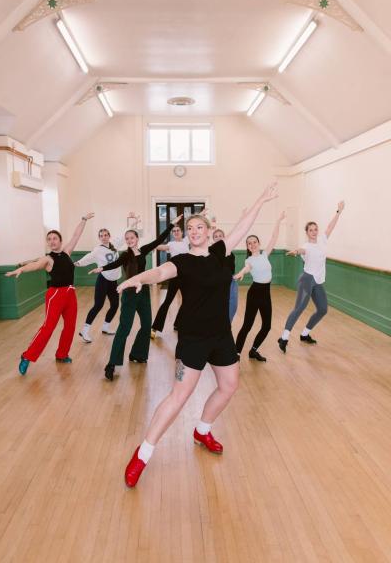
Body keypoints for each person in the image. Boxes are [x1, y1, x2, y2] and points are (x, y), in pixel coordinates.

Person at [118, 183, 278, 488]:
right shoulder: (182, 262)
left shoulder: (221, 252)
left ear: (208, 231)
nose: (193, 230)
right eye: (189, 227)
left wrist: (261, 198)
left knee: (229, 386)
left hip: (221, 336)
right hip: (192, 339)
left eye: (198, 226)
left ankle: (202, 430)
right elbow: (159, 273)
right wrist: (137, 278)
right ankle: (143, 454)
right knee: (179, 396)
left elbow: (244, 227)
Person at [90, 214, 183, 380]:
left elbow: (158, 240)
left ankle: (137, 354)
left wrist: (170, 225)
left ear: (137, 238)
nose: (129, 240)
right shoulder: (125, 255)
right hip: (130, 293)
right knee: (125, 327)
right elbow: (115, 264)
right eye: (127, 238)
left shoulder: (144, 250)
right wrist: (101, 268)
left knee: (147, 324)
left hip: (144, 292)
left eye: (131, 237)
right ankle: (111, 363)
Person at [5, 213, 94, 375]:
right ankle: (27, 356)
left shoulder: (67, 252)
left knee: (70, 326)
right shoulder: (48, 259)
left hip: (70, 294)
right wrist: (21, 269)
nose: (52, 241)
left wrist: (83, 219)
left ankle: (62, 354)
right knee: (48, 327)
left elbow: (76, 235)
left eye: (55, 238)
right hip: (55, 295)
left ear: (60, 240)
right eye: (49, 239)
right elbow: (36, 265)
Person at [278, 201, 345, 353]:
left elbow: (330, 227)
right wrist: (295, 251)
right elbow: (301, 250)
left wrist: (338, 212)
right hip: (307, 280)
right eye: (311, 230)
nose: (314, 232)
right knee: (299, 308)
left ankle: (305, 334)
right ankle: (284, 337)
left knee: (322, 309)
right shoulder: (306, 246)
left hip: (318, 281)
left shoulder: (322, 240)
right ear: (307, 232)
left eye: (315, 229)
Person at [75, 214, 140, 342]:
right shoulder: (97, 250)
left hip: (113, 281)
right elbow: (86, 259)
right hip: (103, 280)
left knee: (115, 305)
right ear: (99, 238)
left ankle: (106, 327)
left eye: (106, 235)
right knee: (98, 305)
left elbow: (125, 233)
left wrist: (134, 222)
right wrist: (75, 263)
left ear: (109, 236)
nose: (104, 237)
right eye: (101, 235)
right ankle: (85, 330)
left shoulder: (115, 243)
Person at [234, 212, 285, 361]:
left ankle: (253, 350)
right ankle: (236, 354)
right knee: (247, 326)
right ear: (248, 247)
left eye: (254, 242)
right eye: (249, 243)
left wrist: (278, 221)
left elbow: (274, 237)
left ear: (258, 243)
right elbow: (247, 268)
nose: (252, 244)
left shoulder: (264, 255)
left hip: (266, 293)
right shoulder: (249, 260)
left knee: (267, 326)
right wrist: (241, 273)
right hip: (255, 293)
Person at [150, 225, 189, 339]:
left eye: (178, 230)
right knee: (167, 301)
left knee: (187, 301)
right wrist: (149, 246)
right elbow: (159, 246)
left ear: (182, 232)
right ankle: (155, 327)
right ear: (172, 233)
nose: (176, 232)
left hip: (186, 276)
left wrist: (202, 214)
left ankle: (177, 324)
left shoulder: (186, 241)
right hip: (175, 276)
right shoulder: (171, 245)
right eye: (174, 231)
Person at [211, 228, 238, 323]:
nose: (218, 238)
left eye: (220, 236)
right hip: (218, 283)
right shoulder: (211, 252)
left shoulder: (231, 252)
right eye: (216, 236)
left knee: (233, 305)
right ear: (213, 239)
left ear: (224, 237)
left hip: (231, 282)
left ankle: (227, 326)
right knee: (218, 306)